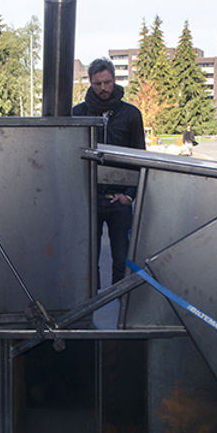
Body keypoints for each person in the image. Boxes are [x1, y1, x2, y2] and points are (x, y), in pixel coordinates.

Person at [73, 58, 145, 285]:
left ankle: (120, 311)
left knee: (122, 259)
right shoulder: (77, 114)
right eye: (97, 84)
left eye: (107, 82)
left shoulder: (131, 115)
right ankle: (88, 308)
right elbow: (70, 157)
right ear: (90, 82)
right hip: (88, 199)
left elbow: (139, 156)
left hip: (119, 199)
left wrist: (130, 195)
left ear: (114, 80)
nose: (103, 88)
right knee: (86, 259)